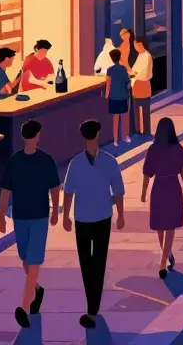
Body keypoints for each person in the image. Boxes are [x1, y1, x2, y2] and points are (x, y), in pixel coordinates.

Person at [62, 119, 125, 330]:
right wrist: (66, 217)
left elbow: (118, 191)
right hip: (83, 219)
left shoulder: (106, 162)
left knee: (97, 262)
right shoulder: (77, 163)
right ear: (96, 136)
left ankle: (92, 309)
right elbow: (68, 191)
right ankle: (92, 306)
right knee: (87, 264)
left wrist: (121, 214)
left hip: (101, 218)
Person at [0, 119, 60, 329]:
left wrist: (55, 211)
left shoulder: (46, 160)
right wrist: (0, 216)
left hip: (40, 216)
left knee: (33, 261)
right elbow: (6, 189)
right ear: (32, 137)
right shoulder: (15, 162)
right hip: (21, 216)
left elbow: (55, 187)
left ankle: (24, 308)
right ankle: (37, 289)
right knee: (25, 258)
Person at [140, 117, 183, 279]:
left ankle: (162, 261)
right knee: (165, 225)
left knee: (164, 224)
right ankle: (166, 253)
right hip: (172, 186)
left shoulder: (154, 149)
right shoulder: (178, 148)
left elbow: (147, 173)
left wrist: (143, 192)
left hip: (160, 186)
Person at [104, 49, 132, 145]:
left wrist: (106, 95)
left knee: (115, 119)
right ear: (119, 57)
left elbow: (108, 84)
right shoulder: (123, 69)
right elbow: (128, 83)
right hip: (123, 95)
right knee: (124, 117)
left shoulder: (109, 70)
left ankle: (115, 140)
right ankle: (125, 137)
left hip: (113, 97)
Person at [130, 38, 153, 138]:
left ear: (141, 44)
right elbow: (135, 69)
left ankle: (146, 131)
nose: (135, 47)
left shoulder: (147, 56)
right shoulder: (140, 56)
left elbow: (144, 73)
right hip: (136, 86)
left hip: (143, 85)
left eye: (136, 45)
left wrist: (134, 74)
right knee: (136, 109)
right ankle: (138, 130)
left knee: (145, 109)